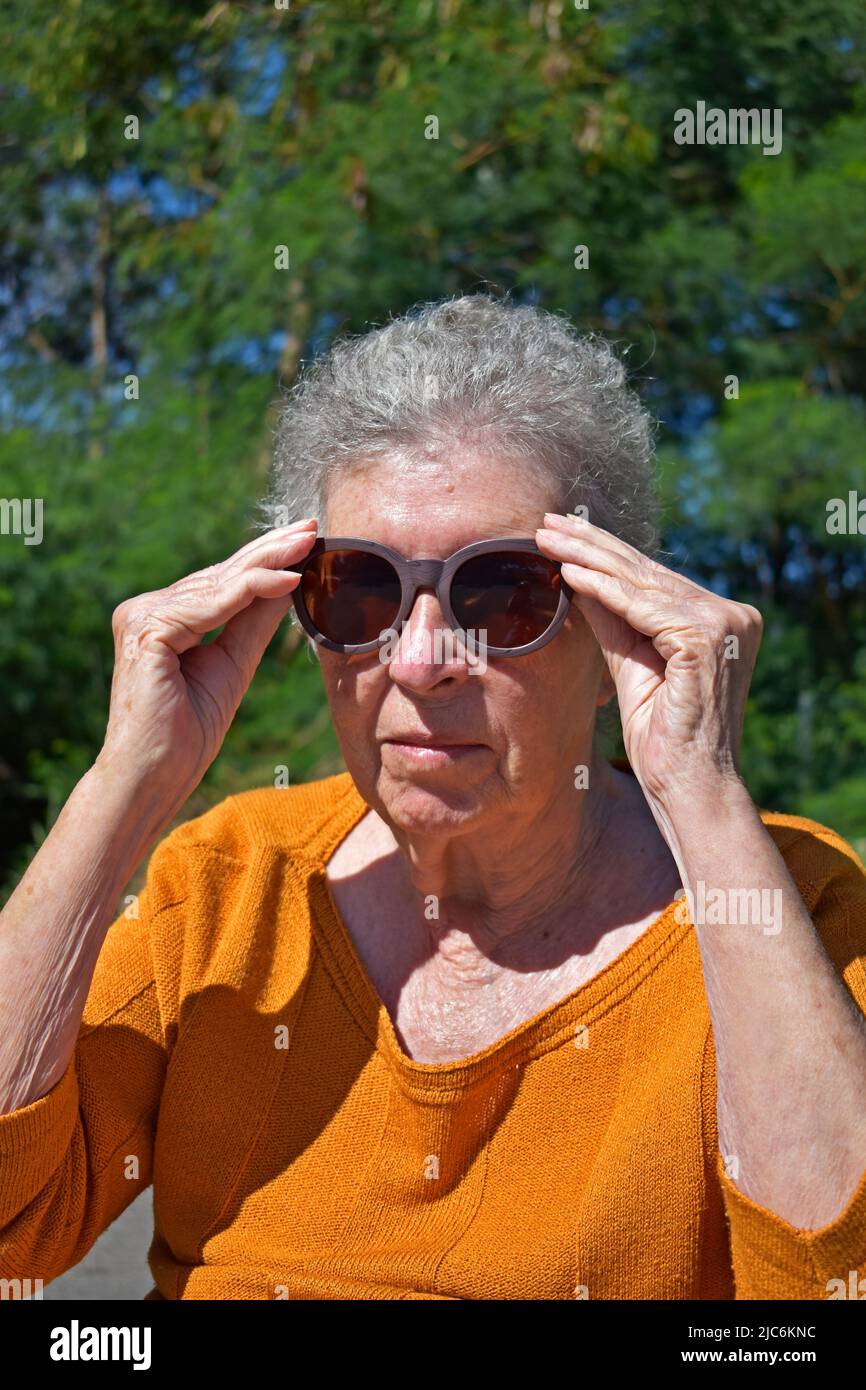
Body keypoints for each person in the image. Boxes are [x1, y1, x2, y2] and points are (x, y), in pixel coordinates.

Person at [1, 293, 865, 1301]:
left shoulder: (779, 903)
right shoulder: (232, 880)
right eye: (357, 589)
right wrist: (124, 787)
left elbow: (829, 1292)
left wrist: (703, 792)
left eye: (502, 591)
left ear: (619, 625)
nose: (417, 659)